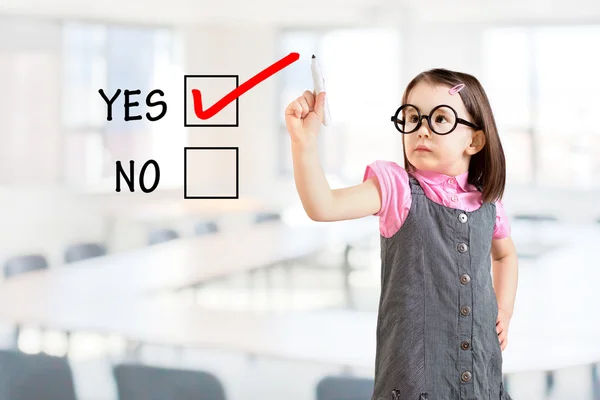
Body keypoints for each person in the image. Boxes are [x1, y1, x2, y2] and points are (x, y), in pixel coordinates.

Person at [284, 68, 518, 400]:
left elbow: (505, 254)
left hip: (481, 379)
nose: (421, 130)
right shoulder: (396, 189)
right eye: (412, 118)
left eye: (439, 120)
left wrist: (504, 310)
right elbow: (324, 206)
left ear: (475, 140)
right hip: (413, 384)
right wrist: (303, 143)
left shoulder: (488, 202)